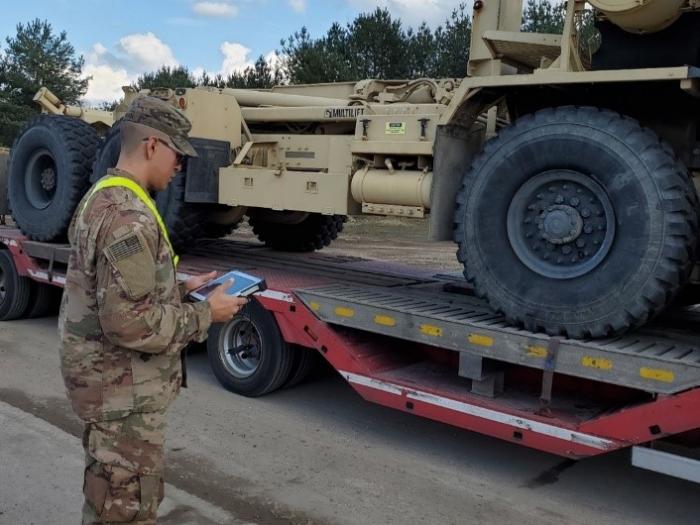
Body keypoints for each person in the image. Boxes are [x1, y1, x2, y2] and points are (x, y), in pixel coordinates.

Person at [58, 95, 246, 524]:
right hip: (121, 397)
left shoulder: (103, 197)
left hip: (113, 393)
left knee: (112, 499)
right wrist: (205, 314)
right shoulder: (128, 216)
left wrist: (180, 289)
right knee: (122, 510)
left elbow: (113, 288)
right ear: (151, 146)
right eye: (177, 153)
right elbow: (127, 323)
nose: (180, 165)